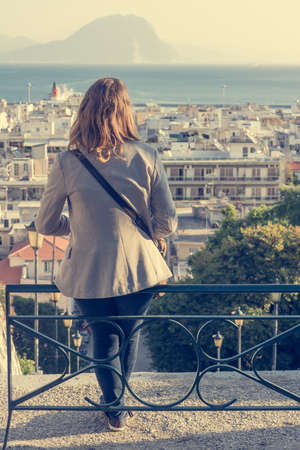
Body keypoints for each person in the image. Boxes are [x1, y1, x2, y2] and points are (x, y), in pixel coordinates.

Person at [35, 77, 177, 431]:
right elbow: (168, 222)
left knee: (103, 336)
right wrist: (146, 234)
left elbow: (45, 222)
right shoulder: (147, 155)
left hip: (89, 268)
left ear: (84, 112)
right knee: (129, 336)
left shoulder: (68, 162)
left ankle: (114, 407)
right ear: (126, 112)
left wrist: (78, 226)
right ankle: (118, 403)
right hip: (141, 270)